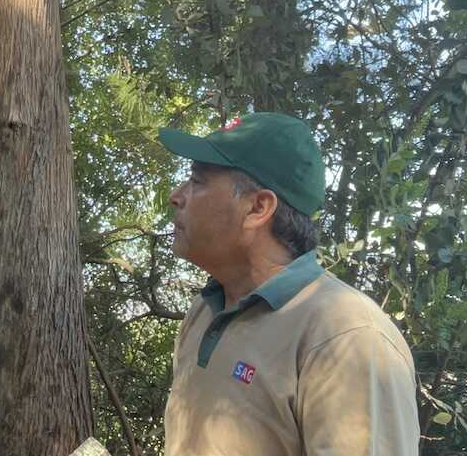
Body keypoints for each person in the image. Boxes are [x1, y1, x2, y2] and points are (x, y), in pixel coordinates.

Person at [159, 113, 420, 456]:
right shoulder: (205, 311)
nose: (176, 196)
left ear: (257, 208)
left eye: (197, 180)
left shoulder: (347, 335)